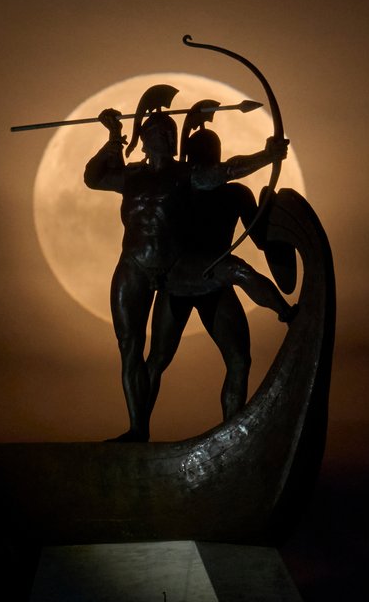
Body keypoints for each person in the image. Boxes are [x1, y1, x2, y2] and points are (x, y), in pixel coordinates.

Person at [83, 86, 288, 441]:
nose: (169, 138)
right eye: (161, 133)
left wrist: (266, 157)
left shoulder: (185, 176)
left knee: (230, 326)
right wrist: (114, 138)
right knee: (133, 349)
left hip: (179, 268)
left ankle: (286, 314)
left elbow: (226, 171)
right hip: (136, 268)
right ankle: (137, 430)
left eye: (171, 133)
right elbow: (93, 177)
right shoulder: (132, 176)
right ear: (146, 139)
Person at [145, 114, 296, 423]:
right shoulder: (178, 189)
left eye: (210, 154)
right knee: (157, 359)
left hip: (214, 279)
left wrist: (272, 214)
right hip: (179, 279)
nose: (206, 161)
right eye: (201, 155)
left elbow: (261, 238)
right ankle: (138, 427)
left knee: (239, 360)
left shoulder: (236, 194)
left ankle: (232, 427)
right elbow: (153, 232)